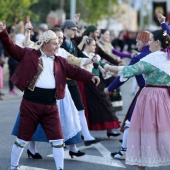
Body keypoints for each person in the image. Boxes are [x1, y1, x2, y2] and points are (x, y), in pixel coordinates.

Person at [0, 20, 100, 170]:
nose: (58, 45)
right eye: (54, 43)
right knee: (22, 139)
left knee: (58, 140)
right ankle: (13, 166)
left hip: (51, 106)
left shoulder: (60, 61)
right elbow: (11, 47)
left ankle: (60, 168)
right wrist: (3, 32)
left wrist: (90, 77)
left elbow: (75, 71)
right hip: (30, 105)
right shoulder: (29, 54)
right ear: (45, 43)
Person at [104, 29, 170, 170]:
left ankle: (142, 164)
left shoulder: (152, 59)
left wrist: (107, 67)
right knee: (165, 131)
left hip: (151, 97)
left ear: (157, 42)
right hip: (166, 97)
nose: (149, 43)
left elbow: (129, 71)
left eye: (151, 40)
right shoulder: (167, 56)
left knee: (144, 131)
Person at [104, 30, 151, 160]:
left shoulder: (139, 57)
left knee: (130, 121)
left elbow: (124, 76)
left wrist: (109, 89)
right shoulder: (160, 54)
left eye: (137, 41)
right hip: (162, 93)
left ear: (143, 41)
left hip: (145, 92)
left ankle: (124, 151)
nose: (136, 43)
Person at [60, 20, 102, 146]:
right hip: (61, 82)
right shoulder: (60, 45)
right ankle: (34, 145)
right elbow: (72, 60)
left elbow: (77, 59)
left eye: (76, 30)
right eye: (73, 29)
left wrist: (92, 60)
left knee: (80, 108)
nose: (75, 32)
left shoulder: (72, 43)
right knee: (60, 113)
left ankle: (87, 137)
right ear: (65, 30)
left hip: (72, 80)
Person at [78, 37, 120, 133]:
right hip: (87, 83)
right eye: (93, 45)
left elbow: (100, 64)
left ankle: (110, 129)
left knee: (106, 104)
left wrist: (104, 70)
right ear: (87, 45)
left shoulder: (94, 55)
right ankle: (85, 132)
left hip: (97, 83)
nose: (95, 47)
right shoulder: (82, 55)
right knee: (90, 108)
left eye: (95, 45)